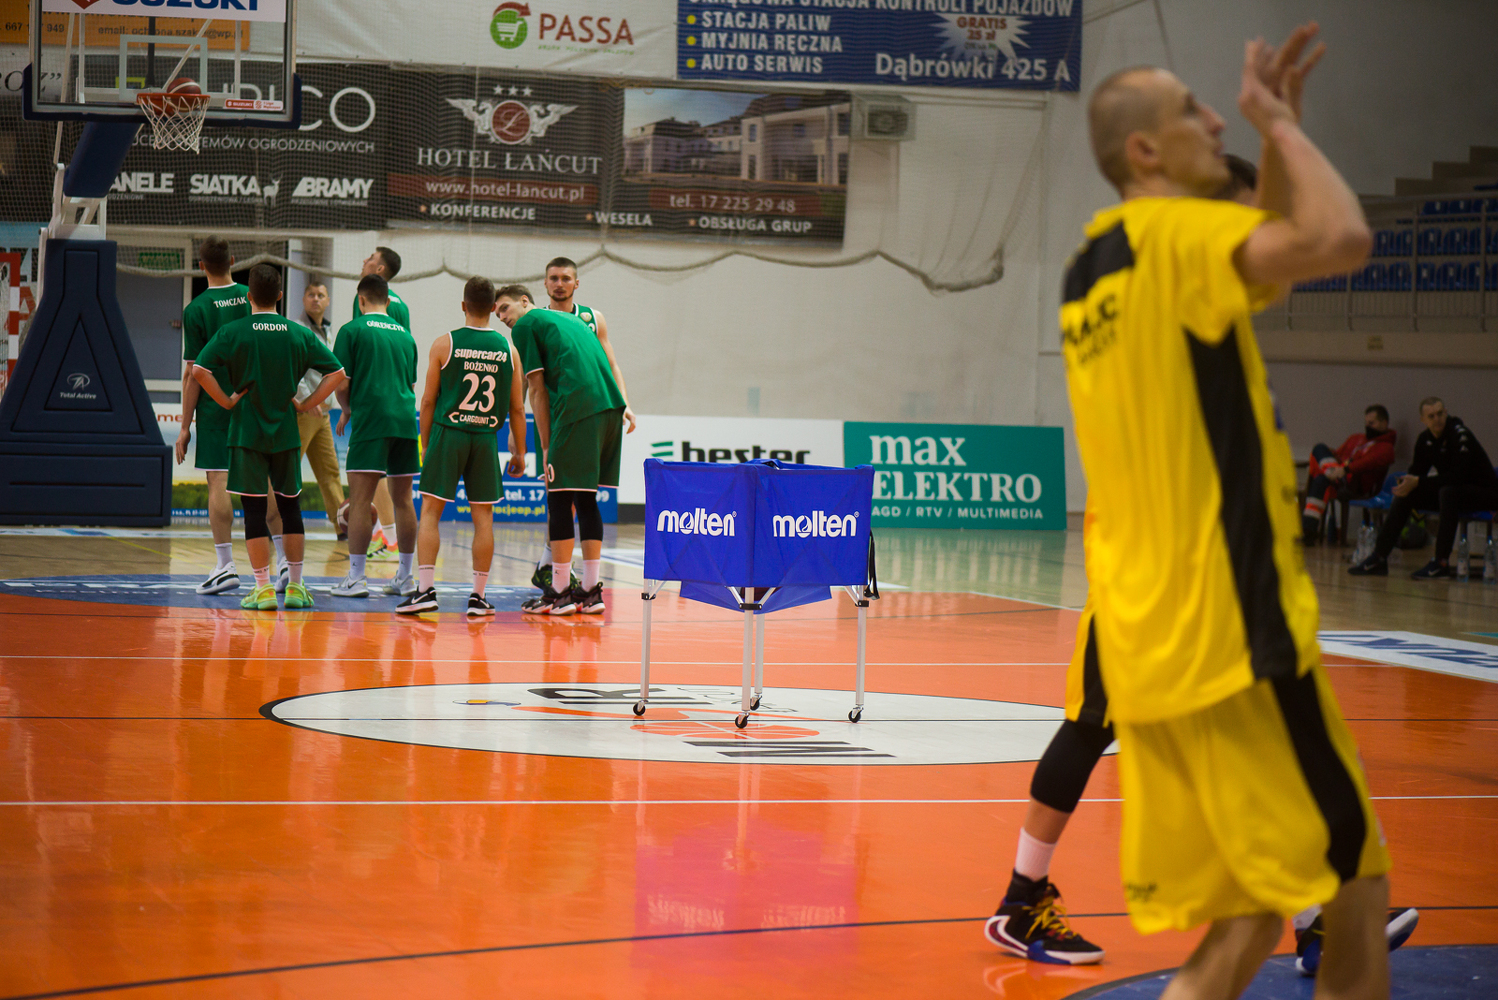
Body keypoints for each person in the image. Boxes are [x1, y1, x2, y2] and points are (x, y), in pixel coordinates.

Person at [1057, 24, 1393, 1000]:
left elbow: (1270, 267)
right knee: (1354, 888)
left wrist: (1274, 145)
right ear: (1145, 150)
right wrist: (1278, 123)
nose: (1216, 120)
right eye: (1194, 112)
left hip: (1147, 646)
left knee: (1247, 914)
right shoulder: (1179, 238)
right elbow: (1340, 239)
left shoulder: (1093, 267)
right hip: (1236, 636)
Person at [190, 264, 345, 611]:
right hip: (286, 433)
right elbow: (337, 373)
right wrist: (306, 404)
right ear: (280, 295)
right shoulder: (299, 333)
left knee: (255, 510)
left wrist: (226, 401)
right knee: (290, 508)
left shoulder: (233, 332)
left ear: (249, 296)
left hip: (246, 433)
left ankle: (262, 589)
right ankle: (296, 587)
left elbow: (198, 370)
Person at [496, 284, 628, 616]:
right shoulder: (569, 321)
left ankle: (558, 593)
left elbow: (536, 390)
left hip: (579, 410)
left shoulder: (526, 325)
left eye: (505, 308)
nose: (502, 316)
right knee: (585, 500)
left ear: (524, 302)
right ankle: (590, 591)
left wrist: (545, 446)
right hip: (611, 408)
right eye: (497, 313)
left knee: (558, 500)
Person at [400, 277, 526, 616]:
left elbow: (428, 402)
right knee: (483, 517)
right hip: (485, 437)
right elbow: (517, 408)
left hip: (449, 432)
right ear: (492, 308)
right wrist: (520, 451)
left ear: (463, 305)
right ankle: (478, 597)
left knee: (431, 511)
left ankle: (425, 591)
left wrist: (427, 444)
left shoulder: (445, 344)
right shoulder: (509, 350)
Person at [176, 237, 287, 595]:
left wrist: (184, 427)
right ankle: (285, 561)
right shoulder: (252, 296)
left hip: (216, 406)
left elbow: (193, 372)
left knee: (218, 482)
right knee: (264, 481)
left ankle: (225, 566)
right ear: (233, 261)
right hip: (256, 403)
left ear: (201, 266)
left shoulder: (196, 309)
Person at [528, 256, 637, 592]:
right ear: (545, 283)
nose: (559, 283)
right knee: (558, 495)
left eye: (566, 278)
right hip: (555, 417)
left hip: (588, 416)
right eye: (553, 278)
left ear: (577, 283)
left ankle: (559, 573)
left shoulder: (592, 318)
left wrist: (624, 403)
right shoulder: (538, 321)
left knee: (579, 497)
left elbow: (611, 364)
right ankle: (555, 567)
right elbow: (530, 380)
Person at [328, 275, 420, 599]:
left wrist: (347, 409)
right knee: (404, 500)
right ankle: (406, 577)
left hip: (371, 421)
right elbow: (411, 386)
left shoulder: (351, 330)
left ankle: (356, 578)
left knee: (360, 500)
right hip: (406, 422)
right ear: (388, 300)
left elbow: (341, 383)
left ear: (361, 300)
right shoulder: (407, 337)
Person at [1350, 397, 1498, 578]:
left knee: (1448, 492)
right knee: (1409, 494)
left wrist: (1418, 481)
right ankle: (1379, 558)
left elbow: (1457, 477)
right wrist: (1406, 484)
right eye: (1431, 416)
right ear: (1423, 419)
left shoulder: (1460, 436)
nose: (1437, 419)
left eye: (1440, 414)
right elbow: (1416, 474)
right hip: (1455, 493)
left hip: (1485, 493)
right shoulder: (1425, 440)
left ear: (1446, 413)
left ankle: (1441, 563)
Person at [353, 246, 412, 560]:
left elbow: (357, 351)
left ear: (379, 270)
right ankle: (386, 535)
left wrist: (348, 405)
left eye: (371, 258)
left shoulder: (363, 301)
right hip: (401, 403)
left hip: (372, 403)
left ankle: (388, 537)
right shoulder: (400, 304)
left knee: (371, 475)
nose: (364, 260)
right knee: (395, 484)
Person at [294, 278, 347, 538]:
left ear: (328, 301)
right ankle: (275, 521)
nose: (316, 299)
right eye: (311, 295)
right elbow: (294, 368)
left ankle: (342, 527)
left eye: (320, 295)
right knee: (289, 469)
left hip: (324, 414)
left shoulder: (331, 331)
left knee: (330, 472)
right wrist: (307, 399)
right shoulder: (296, 329)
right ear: (304, 300)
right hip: (303, 413)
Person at [1301, 406, 1396, 544]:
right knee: (1320, 454)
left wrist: (1345, 469)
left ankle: (1331, 473)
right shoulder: (1356, 438)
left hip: (1355, 484)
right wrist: (1332, 459)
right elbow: (1338, 455)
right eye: (1366, 423)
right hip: (1338, 477)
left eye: (1372, 423)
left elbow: (1366, 463)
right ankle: (1309, 531)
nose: (1368, 427)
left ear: (1384, 423)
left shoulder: (1386, 447)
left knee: (1321, 476)